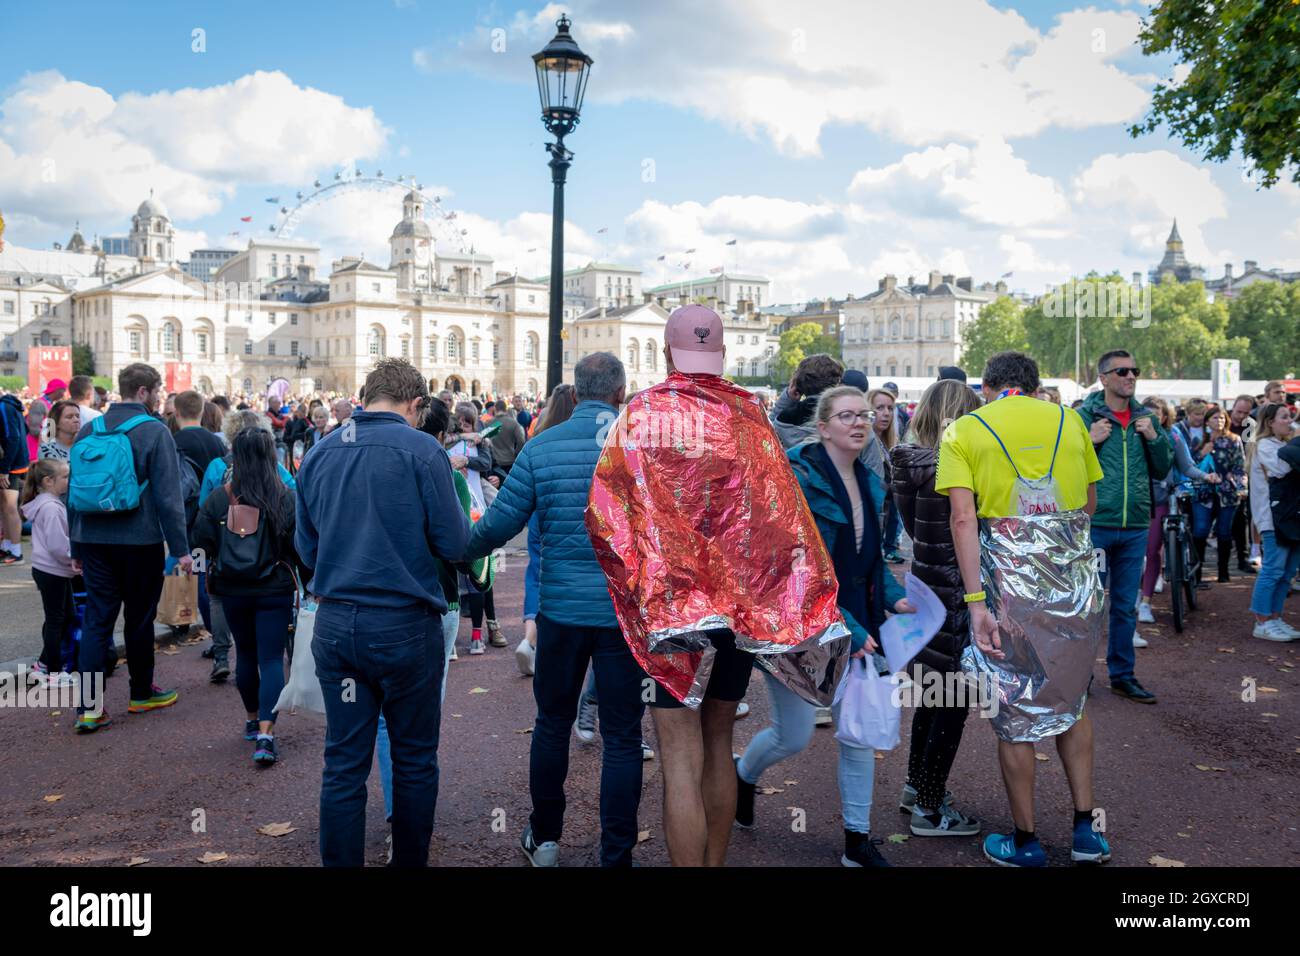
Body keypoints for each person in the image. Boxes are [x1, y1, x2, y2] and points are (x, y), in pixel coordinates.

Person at [462, 352, 648, 868]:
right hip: (623, 617)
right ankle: (617, 854)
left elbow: (497, 527)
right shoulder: (642, 447)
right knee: (624, 737)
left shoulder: (542, 447)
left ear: (576, 391)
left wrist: (454, 548)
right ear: (620, 392)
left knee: (551, 724)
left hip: (561, 613)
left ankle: (545, 838)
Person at [937, 350, 1108, 867]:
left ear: (987, 386)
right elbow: (1089, 503)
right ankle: (1085, 831)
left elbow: (963, 521)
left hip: (1009, 586)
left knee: (1013, 710)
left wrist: (976, 604)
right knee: (1073, 703)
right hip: (1075, 584)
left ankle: (1027, 841)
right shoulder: (1071, 421)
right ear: (1033, 386)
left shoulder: (965, 430)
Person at [296, 358, 468, 868]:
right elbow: (455, 541)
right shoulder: (423, 450)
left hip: (335, 622)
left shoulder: (321, 452)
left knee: (344, 763)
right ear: (415, 405)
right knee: (414, 758)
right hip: (404, 624)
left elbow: (306, 549)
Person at [735, 384, 912, 866]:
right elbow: (802, 570)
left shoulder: (871, 480)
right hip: (798, 629)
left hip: (856, 628)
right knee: (791, 736)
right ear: (823, 426)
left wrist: (897, 601)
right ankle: (742, 776)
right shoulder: (798, 479)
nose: (860, 422)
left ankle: (858, 840)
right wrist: (850, 628)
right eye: (847, 416)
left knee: (855, 735)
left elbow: (868, 562)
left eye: (866, 414)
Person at [68, 363, 191, 733]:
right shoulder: (154, 431)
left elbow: (76, 492)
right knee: (139, 618)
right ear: (143, 392)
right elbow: (169, 498)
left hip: (92, 539)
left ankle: (90, 707)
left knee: (97, 621)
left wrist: (76, 545)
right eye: (157, 391)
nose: (159, 397)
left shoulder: (91, 428)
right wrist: (181, 548)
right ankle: (140, 693)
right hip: (140, 540)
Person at [889, 378, 984, 836]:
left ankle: (916, 787)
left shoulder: (906, 462)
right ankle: (929, 806)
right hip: (957, 590)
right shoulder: (952, 469)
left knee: (932, 694)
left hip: (926, 582)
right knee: (956, 700)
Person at [191, 428, 306, 765]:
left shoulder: (217, 498)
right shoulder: (285, 497)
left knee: (246, 656)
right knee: (271, 659)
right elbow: (298, 549)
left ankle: (252, 718)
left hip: (233, 588)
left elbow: (201, 543)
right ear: (272, 455)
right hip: (274, 587)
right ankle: (267, 735)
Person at [1076, 350, 1172, 705]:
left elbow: (1162, 470)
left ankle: (1122, 675)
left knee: (1125, 606)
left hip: (1134, 525)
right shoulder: (1083, 416)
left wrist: (1155, 439)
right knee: (1089, 606)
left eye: (1135, 370)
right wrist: (1090, 440)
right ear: (1103, 378)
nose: (1131, 376)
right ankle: (1080, 674)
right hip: (1096, 523)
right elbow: (1067, 467)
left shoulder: (1147, 418)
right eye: (1122, 371)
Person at [1136, 397, 1217, 625]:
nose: (1151, 420)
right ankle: (1134, 596)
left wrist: (1205, 475)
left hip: (1161, 499)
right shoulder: (1131, 437)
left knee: (1152, 552)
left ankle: (1145, 602)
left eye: (1156, 415)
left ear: (1164, 417)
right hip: (1134, 502)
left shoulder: (1172, 436)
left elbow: (1187, 465)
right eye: (1146, 414)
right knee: (1133, 554)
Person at [515, 383, 577, 676]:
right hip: (571, 515)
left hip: (540, 515)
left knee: (536, 572)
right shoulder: (584, 435)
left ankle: (530, 637)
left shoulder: (539, 436)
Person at [448, 403, 500, 652]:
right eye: (460, 423)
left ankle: (484, 630)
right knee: (454, 577)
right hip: (454, 508)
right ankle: (455, 637)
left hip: (476, 508)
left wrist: (467, 458)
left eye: (468, 423)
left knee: (481, 573)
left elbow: (485, 463)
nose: (465, 427)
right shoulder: (448, 440)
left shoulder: (480, 442)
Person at [20, 459, 76, 686]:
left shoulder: (47, 504)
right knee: (57, 620)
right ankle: (53, 672)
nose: (68, 481)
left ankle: (44, 664)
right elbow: (57, 544)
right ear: (48, 481)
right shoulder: (51, 507)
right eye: (64, 477)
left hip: (51, 570)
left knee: (64, 618)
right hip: (53, 570)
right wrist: (75, 558)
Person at [1247, 403, 1300, 641]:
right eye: (1285, 417)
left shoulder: (1281, 444)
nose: (1290, 421)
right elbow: (1280, 469)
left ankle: (1275, 617)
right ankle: (1262, 620)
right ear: (1270, 422)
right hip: (1271, 517)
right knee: (1273, 569)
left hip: (1290, 516)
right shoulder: (1264, 445)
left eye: (1290, 417)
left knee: (1286, 572)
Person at [1192, 404, 1247, 585]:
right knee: (1200, 531)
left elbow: (1240, 466)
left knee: (1224, 532)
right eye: (1215, 417)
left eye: (1222, 417)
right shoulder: (1198, 441)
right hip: (1203, 493)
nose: (1220, 421)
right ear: (1207, 421)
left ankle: (1223, 572)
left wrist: (1241, 488)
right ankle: (1197, 574)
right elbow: (1189, 466)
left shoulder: (1234, 440)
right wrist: (1201, 453)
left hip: (1227, 493)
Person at [868, 388, 904, 563]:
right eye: (880, 408)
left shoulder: (888, 441)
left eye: (890, 408)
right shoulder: (864, 440)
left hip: (887, 513)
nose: (886, 413)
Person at [1228, 395, 1259, 573]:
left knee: (1242, 515)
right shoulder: (1223, 420)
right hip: (1221, 474)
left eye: (1246, 412)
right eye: (1239, 412)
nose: (1241, 416)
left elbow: (1250, 449)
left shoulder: (1250, 425)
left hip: (1242, 475)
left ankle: (1243, 557)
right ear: (1233, 407)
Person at [1, 389, 31, 565]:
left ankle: (16, 551)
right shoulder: (9, 405)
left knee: (9, 507)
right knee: (5, 507)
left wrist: (4, 468)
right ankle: (7, 547)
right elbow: (24, 430)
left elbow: (13, 437)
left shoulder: (4, 406)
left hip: (11, 465)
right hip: (13, 462)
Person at [487, 400, 526, 476]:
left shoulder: (488, 423)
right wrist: (516, 453)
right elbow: (521, 440)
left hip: (494, 461)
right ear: (505, 409)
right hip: (509, 460)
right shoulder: (513, 423)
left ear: (495, 409)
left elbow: (484, 440)